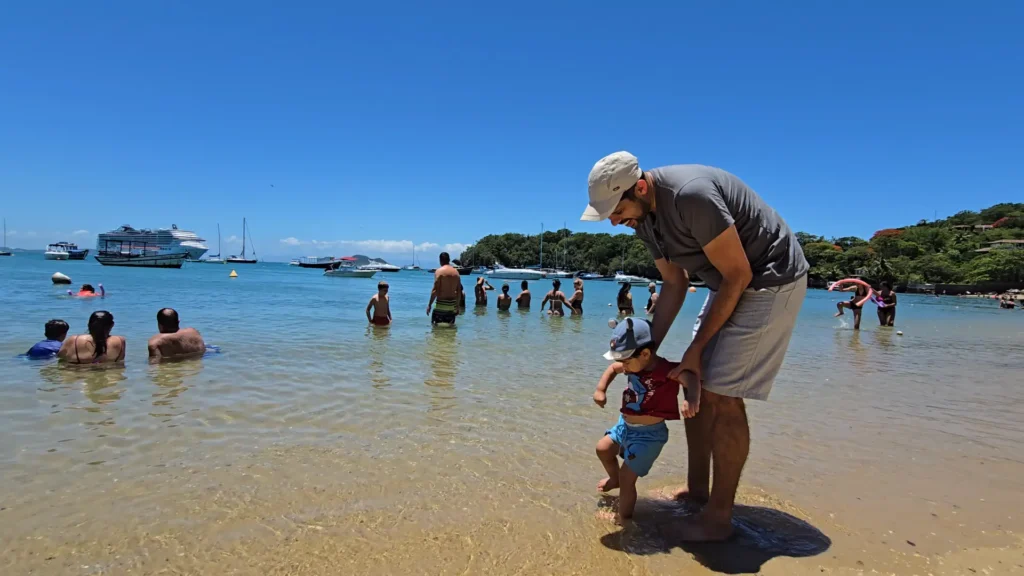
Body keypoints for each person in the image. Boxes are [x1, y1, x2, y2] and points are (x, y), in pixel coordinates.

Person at [581, 151, 808, 541]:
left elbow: (740, 273)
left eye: (616, 210)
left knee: (721, 394)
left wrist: (697, 348)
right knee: (689, 381)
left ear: (639, 187)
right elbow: (675, 283)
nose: (614, 221)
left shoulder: (691, 195)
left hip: (770, 280)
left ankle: (718, 519)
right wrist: (643, 352)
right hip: (727, 283)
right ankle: (697, 493)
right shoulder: (643, 218)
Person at [593, 317, 700, 525]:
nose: (622, 365)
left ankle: (624, 518)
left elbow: (690, 377)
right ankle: (614, 479)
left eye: (625, 360)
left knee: (628, 478)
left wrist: (691, 398)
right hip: (624, 426)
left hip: (649, 436)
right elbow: (612, 369)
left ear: (645, 354)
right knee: (603, 449)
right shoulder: (631, 365)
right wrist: (600, 389)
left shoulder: (665, 370)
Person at [58, 310, 126, 365]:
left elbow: (60, 356)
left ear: (88, 324)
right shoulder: (120, 341)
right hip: (110, 377)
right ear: (112, 325)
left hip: (79, 377)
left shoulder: (74, 340)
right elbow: (120, 361)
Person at [427, 252, 463, 326]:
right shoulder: (456, 273)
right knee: (451, 333)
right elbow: (459, 291)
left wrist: (429, 305)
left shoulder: (439, 272)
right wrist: (457, 306)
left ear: (440, 260)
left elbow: (435, 290)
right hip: (451, 307)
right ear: (449, 260)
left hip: (440, 306)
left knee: (436, 331)